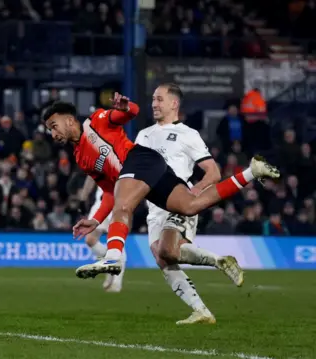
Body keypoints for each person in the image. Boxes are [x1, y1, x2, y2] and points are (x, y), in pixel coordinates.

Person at [42, 92, 280, 279]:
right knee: (190, 206)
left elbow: (128, 113)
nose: (53, 134)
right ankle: (251, 172)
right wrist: (96, 220)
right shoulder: (81, 157)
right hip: (140, 176)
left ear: (69, 119)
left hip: (141, 160)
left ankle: (114, 256)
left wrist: (126, 107)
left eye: (54, 126)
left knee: (124, 206)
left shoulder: (97, 121)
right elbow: (108, 191)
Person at [132, 83, 243, 324]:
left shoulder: (188, 134)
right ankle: (202, 310)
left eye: (160, 99)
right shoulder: (143, 135)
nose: (154, 104)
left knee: (167, 250)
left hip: (177, 201)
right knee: (162, 257)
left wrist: (191, 193)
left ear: (174, 104)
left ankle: (218, 261)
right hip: (153, 207)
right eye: (153, 99)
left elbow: (213, 172)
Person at [79, 178, 124, 292]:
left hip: (118, 202)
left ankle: (117, 283)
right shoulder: (99, 160)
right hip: (101, 201)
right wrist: (83, 197)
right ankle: (110, 264)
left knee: (116, 240)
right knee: (90, 239)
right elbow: (91, 176)